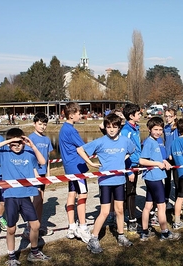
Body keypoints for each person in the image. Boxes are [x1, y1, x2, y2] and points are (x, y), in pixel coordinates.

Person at [0, 128, 50, 265]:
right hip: (11, 196)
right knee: (11, 228)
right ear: (9, 144)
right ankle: (12, 257)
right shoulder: (4, 153)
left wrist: (32, 145)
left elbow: (42, 162)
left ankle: (34, 252)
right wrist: (9, 141)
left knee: (35, 225)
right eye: (14, 144)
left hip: (26, 195)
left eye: (19, 143)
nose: (17, 146)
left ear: (23, 141)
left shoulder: (28, 152)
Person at [77, 113, 135, 253]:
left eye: (114, 127)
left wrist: (123, 159)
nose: (111, 130)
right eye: (108, 127)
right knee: (104, 212)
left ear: (119, 127)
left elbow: (132, 151)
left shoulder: (125, 141)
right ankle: (94, 239)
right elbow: (80, 149)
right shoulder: (101, 141)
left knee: (120, 210)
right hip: (105, 182)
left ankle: (121, 236)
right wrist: (90, 162)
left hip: (120, 180)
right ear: (105, 127)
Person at [139, 117, 180, 241]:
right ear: (149, 129)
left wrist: (163, 161)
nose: (158, 132)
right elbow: (141, 160)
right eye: (155, 129)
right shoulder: (149, 142)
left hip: (155, 177)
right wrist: (157, 164)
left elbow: (154, 157)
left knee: (148, 205)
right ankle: (165, 232)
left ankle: (145, 232)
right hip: (154, 178)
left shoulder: (156, 141)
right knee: (161, 206)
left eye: (160, 129)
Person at [59, 102, 91, 243]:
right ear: (71, 115)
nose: (81, 115)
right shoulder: (71, 130)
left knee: (72, 193)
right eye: (78, 113)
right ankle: (83, 227)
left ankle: (72, 225)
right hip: (77, 167)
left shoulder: (64, 128)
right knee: (83, 194)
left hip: (68, 166)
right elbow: (83, 147)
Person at [23, 112, 54, 238]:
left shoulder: (46, 140)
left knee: (40, 200)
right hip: (33, 174)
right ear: (34, 124)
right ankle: (28, 228)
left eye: (44, 124)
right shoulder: (30, 139)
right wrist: (34, 173)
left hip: (43, 174)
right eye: (40, 124)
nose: (42, 126)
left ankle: (39, 225)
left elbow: (47, 158)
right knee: (35, 201)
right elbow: (28, 158)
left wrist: (49, 173)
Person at [120, 103, 142, 233]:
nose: (140, 115)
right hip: (130, 166)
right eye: (138, 113)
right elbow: (124, 152)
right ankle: (131, 221)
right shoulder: (126, 131)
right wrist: (129, 171)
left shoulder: (135, 128)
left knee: (132, 192)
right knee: (130, 193)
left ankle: (129, 217)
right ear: (131, 115)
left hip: (136, 164)